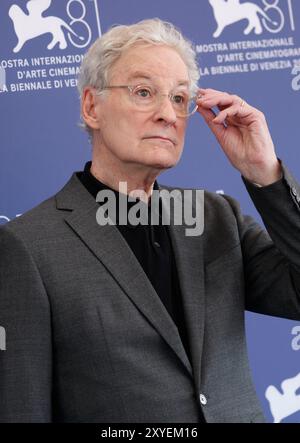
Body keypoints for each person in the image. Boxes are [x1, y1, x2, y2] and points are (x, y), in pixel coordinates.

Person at [0, 18, 300, 424]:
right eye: (144, 92)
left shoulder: (217, 217)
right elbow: (22, 408)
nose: (167, 114)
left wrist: (265, 174)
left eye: (180, 98)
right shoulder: (28, 246)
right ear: (92, 107)